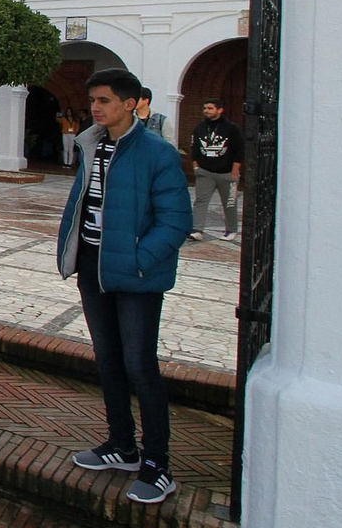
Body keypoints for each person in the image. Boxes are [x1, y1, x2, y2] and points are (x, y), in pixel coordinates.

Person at [58, 68, 191, 505]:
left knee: (140, 366)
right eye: (93, 100)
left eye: (105, 100)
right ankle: (122, 445)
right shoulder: (92, 144)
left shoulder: (157, 153)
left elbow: (176, 221)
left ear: (130, 104)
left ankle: (158, 465)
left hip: (135, 277)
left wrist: (137, 261)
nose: (95, 108)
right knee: (108, 360)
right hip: (93, 268)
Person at [189, 98, 244, 242]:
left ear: (219, 110)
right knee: (200, 201)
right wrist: (196, 167)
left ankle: (231, 230)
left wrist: (234, 172)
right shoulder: (200, 127)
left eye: (210, 108)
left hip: (227, 173)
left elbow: (239, 150)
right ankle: (197, 229)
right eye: (205, 108)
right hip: (205, 172)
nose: (206, 111)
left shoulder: (232, 128)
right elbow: (194, 148)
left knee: (230, 203)